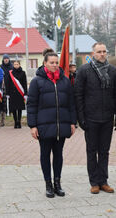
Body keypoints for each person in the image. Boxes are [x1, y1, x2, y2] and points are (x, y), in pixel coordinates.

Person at [74, 42, 116, 194]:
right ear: (93, 53)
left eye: (104, 51)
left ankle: (103, 181)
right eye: (99, 51)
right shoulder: (84, 71)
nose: (102, 54)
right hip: (90, 118)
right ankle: (94, 182)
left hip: (107, 118)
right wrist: (80, 117)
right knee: (91, 151)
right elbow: (78, 95)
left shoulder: (113, 71)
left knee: (104, 151)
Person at [27, 51, 76, 198]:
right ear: (45, 64)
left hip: (61, 125)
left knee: (58, 155)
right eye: (51, 62)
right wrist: (32, 125)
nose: (54, 65)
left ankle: (57, 184)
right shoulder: (36, 81)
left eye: (56, 62)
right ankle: (48, 184)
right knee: (45, 154)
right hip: (43, 126)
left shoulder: (65, 81)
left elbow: (71, 104)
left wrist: (73, 122)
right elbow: (31, 104)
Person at [9, 61, 27, 128]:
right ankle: (15, 121)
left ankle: (19, 122)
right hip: (12, 93)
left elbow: (25, 83)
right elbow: (7, 83)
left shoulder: (23, 73)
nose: (16, 65)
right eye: (14, 64)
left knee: (19, 108)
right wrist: (8, 93)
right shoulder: (10, 73)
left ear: (19, 65)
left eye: (17, 64)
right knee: (13, 108)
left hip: (20, 93)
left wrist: (25, 93)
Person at [0, 54, 14, 121]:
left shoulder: (12, 66)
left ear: (9, 59)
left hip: (11, 85)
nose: (6, 60)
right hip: (3, 85)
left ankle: (11, 112)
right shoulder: (1, 67)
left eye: (7, 58)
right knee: (4, 100)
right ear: (3, 59)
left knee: (11, 100)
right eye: (5, 58)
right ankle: (4, 112)